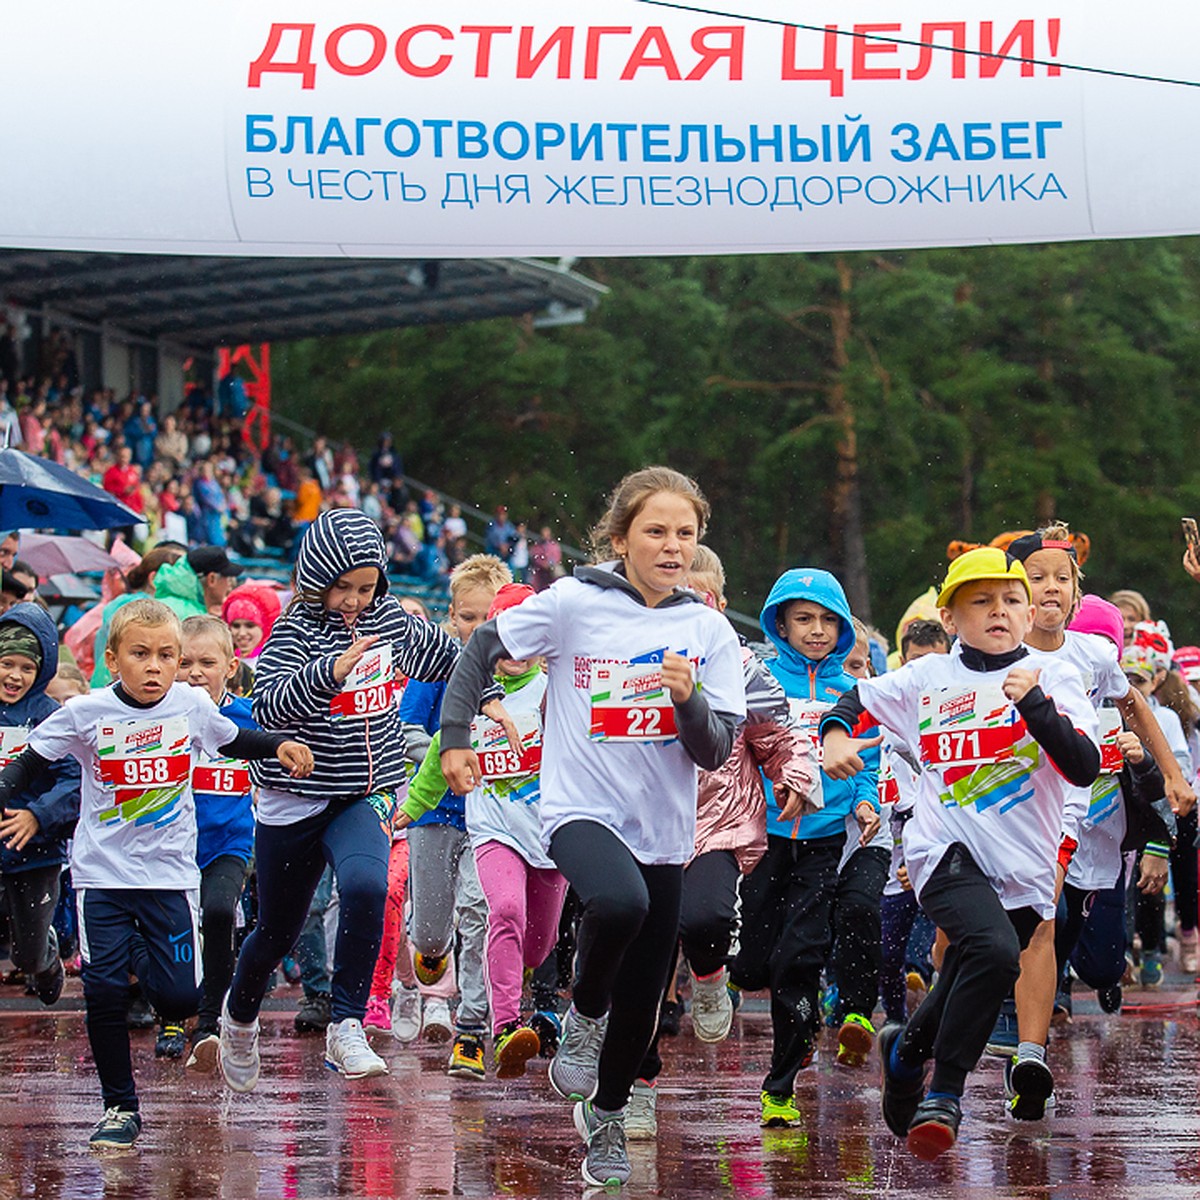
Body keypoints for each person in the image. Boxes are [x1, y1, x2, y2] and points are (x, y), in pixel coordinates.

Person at [438, 466, 745, 1189]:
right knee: (619, 904)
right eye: (656, 531)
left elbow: (714, 749)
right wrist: (455, 737)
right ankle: (582, 1010)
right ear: (620, 538)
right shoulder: (573, 603)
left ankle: (605, 1116)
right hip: (577, 810)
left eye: (686, 534)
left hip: (664, 830)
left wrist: (689, 700)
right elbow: (483, 649)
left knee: (644, 996)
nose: (672, 546)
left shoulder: (706, 628)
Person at [820, 547, 1099, 1160]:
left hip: (1024, 865)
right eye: (981, 601)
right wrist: (835, 735)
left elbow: (1083, 767)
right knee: (995, 950)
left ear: (1029, 615)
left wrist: (1036, 708)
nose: (999, 611)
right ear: (950, 618)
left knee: (986, 965)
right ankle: (945, 1094)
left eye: (1010, 600)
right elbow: (854, 703)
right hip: (942, 850)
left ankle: (905, 1054)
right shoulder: (927, 677)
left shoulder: (1056, 679)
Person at [0, 598, 312, 1147]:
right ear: (114, 662)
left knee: (179, 995)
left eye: (166, 655)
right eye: (140, 655)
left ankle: (166, 989)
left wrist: (278, 744)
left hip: (170, 878)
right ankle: (120, 1107)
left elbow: (233, 739)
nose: (155, 666)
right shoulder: (87, 711)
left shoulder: (190, 706)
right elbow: (32, 760)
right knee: (101, 989)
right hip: (102, 877)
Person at [218, 509, 512, 1091]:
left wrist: (491, 696)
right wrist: (330, 671)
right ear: (314, 577)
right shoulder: (292, 632)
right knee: (276, 931)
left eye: (366, 587)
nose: (354, 600)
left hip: (361, 794)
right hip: (294, 799)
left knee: (369, 887)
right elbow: (271, 709)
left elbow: (457, 661)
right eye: (342, 588)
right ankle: (239, 1018)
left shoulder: (394, 626)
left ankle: (347, 1023)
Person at [627, 546, 814, 1140]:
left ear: (721, 606)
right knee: (647, 966)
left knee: (706, 919)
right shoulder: (630, 655)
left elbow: (779, 739)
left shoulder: (739, 664)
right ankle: (639, 1085)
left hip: (716, 824)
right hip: (642, 828)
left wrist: (795, 777)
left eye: (703, 598)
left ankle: (710, 975)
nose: (692, 607)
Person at [729, 567, 879, 1129]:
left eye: (826, 621)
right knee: (749, 966)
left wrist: (864, 802)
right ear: (781, 625)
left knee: (800, 962)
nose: (816, 630)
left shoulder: (853, 691)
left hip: (822, 842)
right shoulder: (760, 679)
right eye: (803, 619)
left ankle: (781, 1087)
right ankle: (731, 978)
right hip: (760, 840)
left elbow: (872, 756)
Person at [400, 583, 568, 1079]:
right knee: (502, 912)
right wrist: (411, 806)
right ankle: (503, 1026)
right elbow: (438, 750)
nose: (517, 651)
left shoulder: (557, 687)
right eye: (507, 637)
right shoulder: (469, 689)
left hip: (551, 836)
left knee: (538, 945)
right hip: (494, 829)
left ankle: (507, 996)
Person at [398, 553, 512, 1079]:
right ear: (451, 619)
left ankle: (470, 1029)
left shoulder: (517, 674)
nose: (476, 629)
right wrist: (445, 754)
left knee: (479, 913)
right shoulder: (437, 667)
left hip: (491, 818)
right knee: (432, 931)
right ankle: (423, 953)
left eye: (488, 618)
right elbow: (406, 730)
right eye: (467, 618)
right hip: (434, 811)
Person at [173, 615, 259, 1070]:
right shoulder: (162, 716)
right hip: (170, 848)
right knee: (171, 934)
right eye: (184, 662)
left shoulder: (246, 717)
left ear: (230, 666)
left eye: (207, 662)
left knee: (221, 913)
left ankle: (210, 1024)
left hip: (229, 844)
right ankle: (173, 1015)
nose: (195, 672)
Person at [0, 604, 82, 1010]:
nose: (14, 676)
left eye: (26, 668)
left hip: (35, 851)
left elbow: (73, 779)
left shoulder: (50, 717)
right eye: (6, 664)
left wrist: (39, 815)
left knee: (26, 953)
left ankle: (46, 959)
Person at [155, 545, 242, 621]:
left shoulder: (167, 605)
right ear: (212, 579)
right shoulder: (192, 618)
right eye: (226, 577)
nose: (228, 584)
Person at [221, 581, 282, 661]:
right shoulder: (223, 658)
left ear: (267, 626)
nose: (242, 633)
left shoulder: (276, 661)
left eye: (250, 626)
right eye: (236, 625)